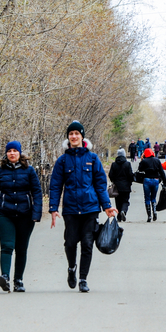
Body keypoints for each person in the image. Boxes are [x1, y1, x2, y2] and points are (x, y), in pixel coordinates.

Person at [49, 121, 117, 293]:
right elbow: (56, 185)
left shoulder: (92, 159)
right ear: (68, 138)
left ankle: (83, 279)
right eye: (71, 134)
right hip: (71, 209)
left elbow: (101, 184)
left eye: (77, 133)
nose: (74, 136)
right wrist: (53, 207)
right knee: (70, 243)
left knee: (87, 244)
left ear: (82, 136)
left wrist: (107, 206)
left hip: (90, 208)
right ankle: (72, 268)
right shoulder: (63, 160)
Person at [0, 141, 42, 293]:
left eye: (15, 151)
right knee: (7, 246)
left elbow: (37, 192)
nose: (12, 153)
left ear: (19, 153)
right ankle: (5, 277)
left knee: (21, 249)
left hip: (25, 214)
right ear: (6, 154)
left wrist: (36, 213)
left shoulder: (29, 171)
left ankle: (19, 280)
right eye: (9, 151)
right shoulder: (0, 171)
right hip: (5, 213)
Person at [137, 147, 166, 222]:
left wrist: (142, 160)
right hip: (156, 180)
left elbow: (140, 169)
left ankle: (149, 216)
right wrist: (165, 181)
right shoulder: (157, 160)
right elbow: (161, 171)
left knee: (147, 198)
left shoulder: (144, 161)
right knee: (153, 198)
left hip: (147, 179)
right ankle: (154, 212)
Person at [109, 148, 134, 222]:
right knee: (125, 201)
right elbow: (130, 175)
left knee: (118, 201)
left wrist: (113, 181)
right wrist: (130, 181)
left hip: (117, 186)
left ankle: (119, 216)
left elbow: (111, 175)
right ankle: (123, 211)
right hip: (126, 186)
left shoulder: (114, 164)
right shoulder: (127, 164)